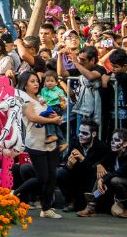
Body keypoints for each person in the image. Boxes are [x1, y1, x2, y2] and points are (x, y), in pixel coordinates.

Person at [12, 71, 64, 219]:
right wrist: (51, 121)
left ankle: (46, 209)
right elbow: (32, 117)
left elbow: (48, 112)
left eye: (36, 81)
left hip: (50, 143)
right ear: (24, 84)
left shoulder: (40, 98)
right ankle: (15, 193)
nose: (36, 84)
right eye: (32, 81)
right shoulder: (24, 99)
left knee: (52, 176)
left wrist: (55, 116)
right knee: (42, 177)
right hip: (35, 143)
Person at [58, 118, 108, 214]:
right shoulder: (75, 142)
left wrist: (83, 159)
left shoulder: (101, 147)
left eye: (85, 133)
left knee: (99, 177)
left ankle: (91, 205)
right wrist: (69, 165)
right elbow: (65, 163)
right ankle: (71, 201)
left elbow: (95, 171)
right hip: (77, 180)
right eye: (79, 132)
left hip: (90, 183)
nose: (80, 135)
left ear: (93, 134)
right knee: (60, 173)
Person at [39, 71, 66, 145]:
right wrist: (41, 100)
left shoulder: (58, 90)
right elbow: (40, 97)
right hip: (48, 107)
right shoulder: (43, 90)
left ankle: (51, 135)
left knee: (49, 119)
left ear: (56, 83)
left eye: (52, 81)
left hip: (56, 107)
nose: (49, 83)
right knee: (55, 124)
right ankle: (62, 142)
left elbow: (63, 99)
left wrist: (62, 99)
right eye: (47, 81)